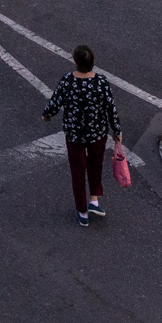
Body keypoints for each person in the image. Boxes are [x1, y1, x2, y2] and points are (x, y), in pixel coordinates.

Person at [41, 45, 124, 226]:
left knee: (78, 171)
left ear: (76, 62)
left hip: (75, 134)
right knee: (96, 165)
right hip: (97, 133)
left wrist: (46, 115)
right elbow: (111, 108)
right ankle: (94, 199)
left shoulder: (67, 81)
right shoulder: (101, 82)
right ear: (93, 62)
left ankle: (82, 212)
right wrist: (117, 130)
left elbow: (56, 101)